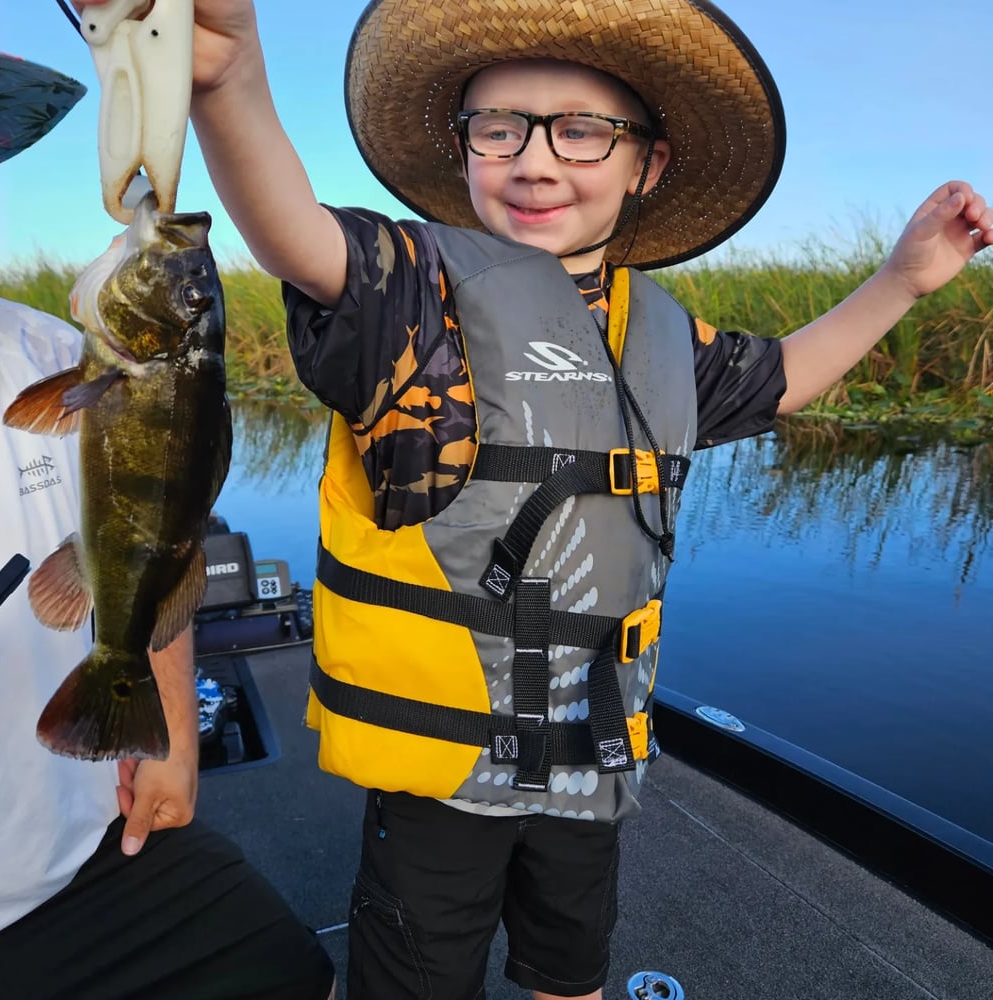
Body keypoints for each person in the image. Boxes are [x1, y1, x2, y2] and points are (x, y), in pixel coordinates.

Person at [76, 1, 992, 998]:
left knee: (571, 970)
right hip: (438, 780)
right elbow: (297, 236)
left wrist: (906, 276)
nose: (536, 160)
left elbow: (783, 374)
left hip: (591, 751)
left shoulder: (668, 340)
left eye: (583, 129)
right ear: (463, 149)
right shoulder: (407, 295)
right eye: (498, 127)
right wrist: (228, 81)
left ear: (648, 163)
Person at [0, 51, 336, 1000]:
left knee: (293, 973)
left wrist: (174, 740)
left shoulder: (53, 351)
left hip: (80, 854)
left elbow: (158, 538)